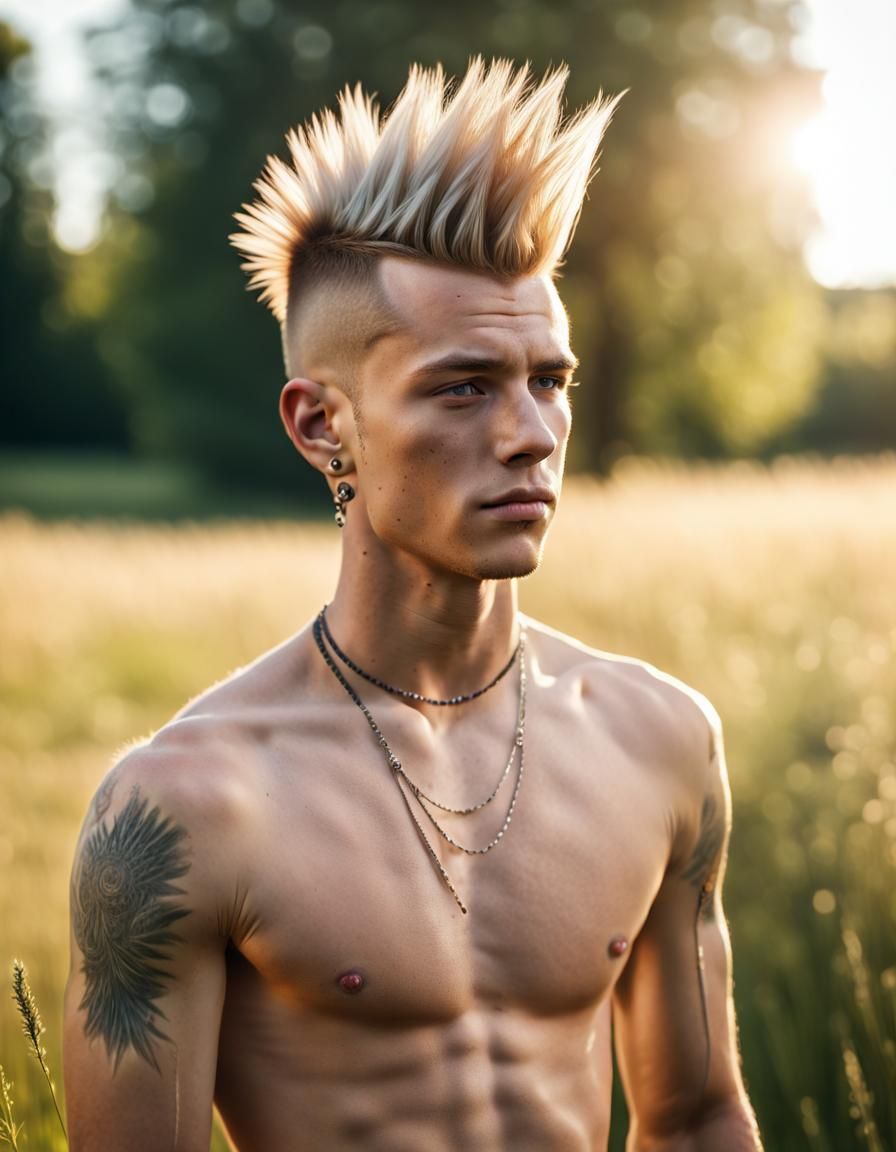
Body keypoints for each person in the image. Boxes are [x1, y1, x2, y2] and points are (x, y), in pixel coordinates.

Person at [63, 58, 763, 1151]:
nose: (530, 432)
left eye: (549, 380)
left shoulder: (661, 738)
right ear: (319, 425)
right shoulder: (183, 808)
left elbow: (695, 1115)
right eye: (462, 385)